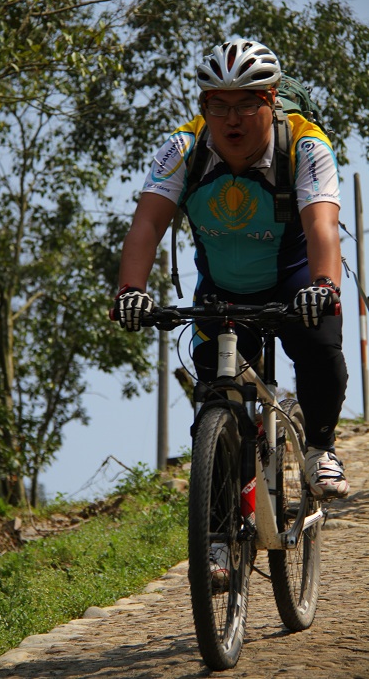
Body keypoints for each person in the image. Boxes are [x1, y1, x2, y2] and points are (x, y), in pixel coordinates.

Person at [113, 39, 349, 506]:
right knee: (215, 398)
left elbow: (321, 225)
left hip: (295, 281)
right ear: (204, 106)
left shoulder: (305, 144)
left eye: (246, 104)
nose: (232, 119)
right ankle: (222, 520)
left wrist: (324, 285)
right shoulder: (184, 148)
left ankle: (320, 448)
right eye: (218, 106)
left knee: (321, 350)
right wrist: (131, 290)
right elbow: (147, 224)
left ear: (272, 100)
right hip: (220, 289)